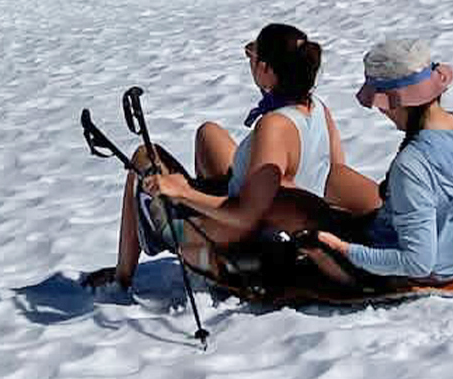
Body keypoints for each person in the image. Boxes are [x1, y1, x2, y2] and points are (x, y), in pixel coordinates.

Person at [86, 23, 377, 288]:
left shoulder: (274, 126)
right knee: (209, 134)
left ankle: (122, 275)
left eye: (253, 56)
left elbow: (246, 213)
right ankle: (196, 206)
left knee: (142, 157)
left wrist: (183, 191)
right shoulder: (317, 109)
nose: (249, 60)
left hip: (244, 228)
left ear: (265, 70)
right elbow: (334, 172)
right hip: (281, 206)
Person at [299, 38, 453, 288]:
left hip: (396, 266)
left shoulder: (412, 164)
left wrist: (343, 249)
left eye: (382, 104)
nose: (381, 111)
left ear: (398, 102)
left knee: (297, 215)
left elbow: (417, 263)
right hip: (452, 262)